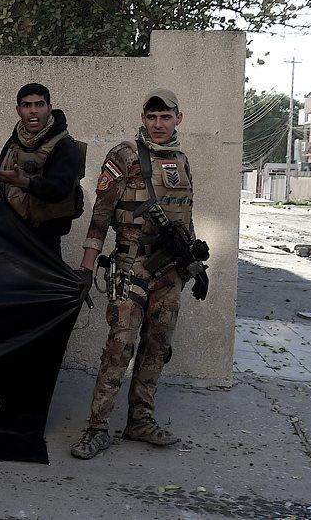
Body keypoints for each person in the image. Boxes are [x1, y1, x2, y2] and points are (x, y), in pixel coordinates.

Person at [71, 89, 208, 460]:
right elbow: (100, 217)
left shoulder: (181, 160)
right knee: (119, 348)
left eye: (166, 117)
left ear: (179, 118)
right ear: (144, 118)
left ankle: (140, 421)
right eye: (152, 117)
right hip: (131, 267)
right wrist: (86, 268)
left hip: (170, 273)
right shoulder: (125, 156)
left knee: (156, 347)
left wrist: (194, 264)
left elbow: (184, 217)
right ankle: (97, 427)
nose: (158, 124)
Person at [0, 83, 84, 257]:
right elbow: (1, 175)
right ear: (18, 110)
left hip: (44, 239)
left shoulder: (64, 145)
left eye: (39, 104)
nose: (33, 110)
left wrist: (25, 183)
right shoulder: (14, 142)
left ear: (49, 108)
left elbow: (60, 189)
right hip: (10, 234)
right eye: (27, 105)